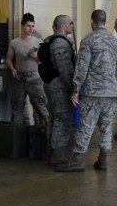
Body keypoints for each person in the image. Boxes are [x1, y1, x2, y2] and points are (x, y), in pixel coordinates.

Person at [56, 10, 117, 172]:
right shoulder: (116, 43)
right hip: (111, 93)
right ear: (105, 22)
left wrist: (76, 89)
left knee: (86, 126)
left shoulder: (88, 40)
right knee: (106, 127)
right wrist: (115, 88)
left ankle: (78, 160)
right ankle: (103, 159)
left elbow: (82, 67)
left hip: (93, 93)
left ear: (92, 21)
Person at [5, 13, 49, 129]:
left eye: (32, 26)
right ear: (22, 26)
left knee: (41, 107)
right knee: (17, 108)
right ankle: (17, 137)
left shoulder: (38, 41)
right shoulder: (15, 43)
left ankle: (47, 134)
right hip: (19, 78)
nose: (30, 29)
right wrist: (12, 69)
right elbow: (8, 59)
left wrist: (35, 56)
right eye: (28, 26)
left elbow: (44, 60)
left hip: (34, 78)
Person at [44, 15, 76, 166]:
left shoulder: (49, 40)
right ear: (62, 26)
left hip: (52, 85)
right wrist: (73, 87)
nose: (72, 26)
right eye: (70, 23)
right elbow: (65, 69)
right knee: (62, 119)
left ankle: (51, 151)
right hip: (60, 87)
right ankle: (58, 153)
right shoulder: (61, 44)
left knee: (54, 118)